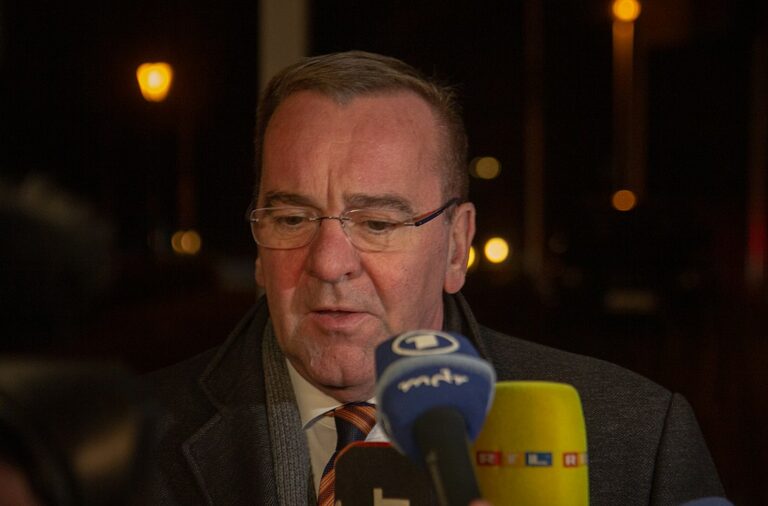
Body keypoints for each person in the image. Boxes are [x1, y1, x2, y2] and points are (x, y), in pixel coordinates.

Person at [141, 51, 725, 505]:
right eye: (292, 219)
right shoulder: (130, 446)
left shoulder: (636, 438)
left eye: (377, 223)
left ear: (456, 246)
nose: (329, 263)